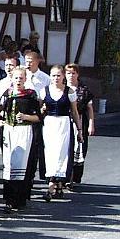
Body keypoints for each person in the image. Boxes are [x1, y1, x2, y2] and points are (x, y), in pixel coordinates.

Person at [0, 67, 41, 212]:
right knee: (8, 164)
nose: (18, 81)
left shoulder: (30, 95)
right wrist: (0, 121)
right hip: (9, 130)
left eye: (21, 78)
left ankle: (19, 198)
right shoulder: (7, 94)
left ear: (25, 79)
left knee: (21, 164)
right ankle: (9, 199)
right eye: (16, 78)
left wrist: (25, 117)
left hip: (24, 130)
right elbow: (1, 113)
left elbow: (38, 117)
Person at [39, 66, 82, 200]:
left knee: (62, 153)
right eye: (53, 75)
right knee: (50, 152)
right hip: (49, 124)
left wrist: (79, 130)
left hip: (64, 124)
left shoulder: (69, 92)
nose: (56, 78)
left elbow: (74, 112)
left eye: (58, 75)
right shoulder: (44, 91)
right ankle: (54, 184)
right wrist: (42, 110)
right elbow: (39, 110)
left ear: (63, 76)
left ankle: (55, 185)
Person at [65, 64, 95, 187]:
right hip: (65, 121)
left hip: (80, 121)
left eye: (73, 73)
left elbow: (89, 108)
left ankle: (74, 178)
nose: (71, 75)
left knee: (79, 149)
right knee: (66, 149)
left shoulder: (84, 90)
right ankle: (65, 177)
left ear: (77, 74)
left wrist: (91, 124)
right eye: (68, 73)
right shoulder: (62, 88)